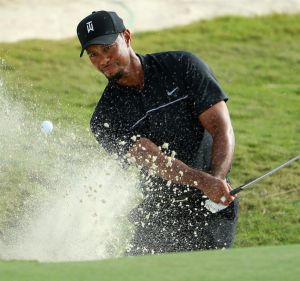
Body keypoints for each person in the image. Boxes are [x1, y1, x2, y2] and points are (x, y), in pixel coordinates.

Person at [76, 10, 239, 256]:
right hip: (160, 212)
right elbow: (153, 161)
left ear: (127, 37)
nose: (102, 60)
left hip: (213, 206)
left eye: (108, 48)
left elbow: (221, 128)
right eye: (93, 55)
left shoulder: (183, 66)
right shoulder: (105, 118)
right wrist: (204, 182)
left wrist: (216, 181)